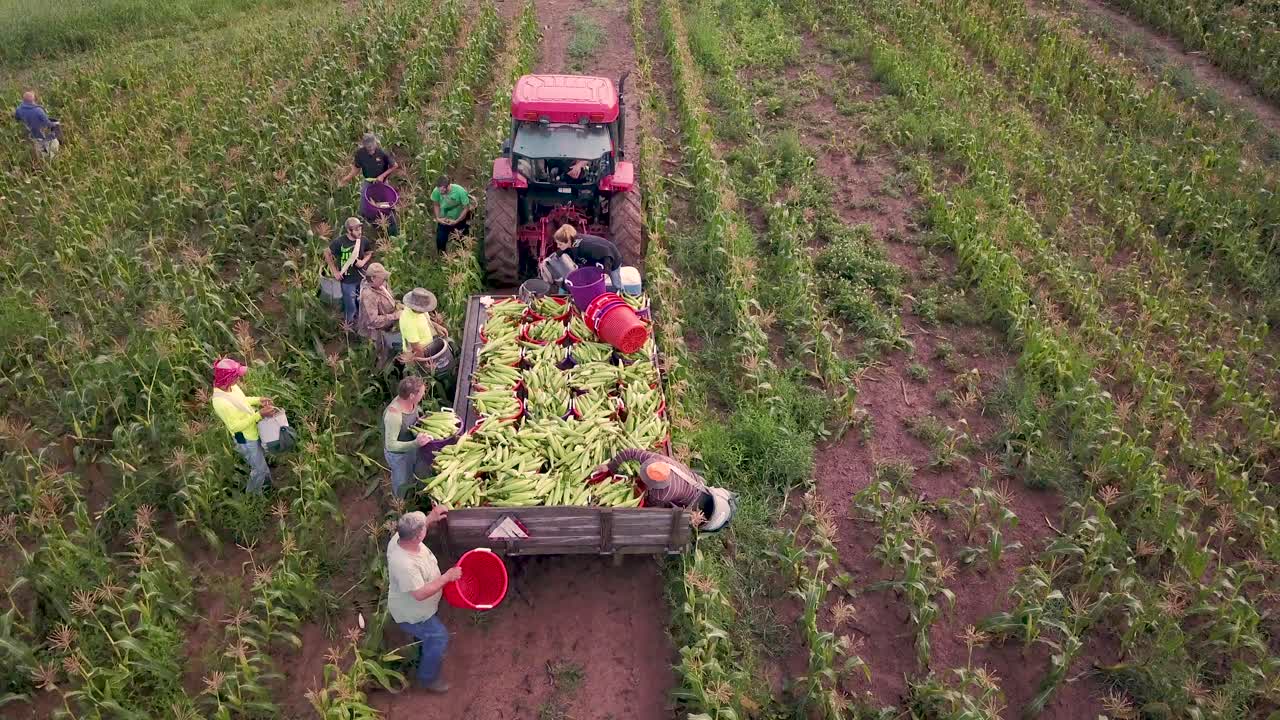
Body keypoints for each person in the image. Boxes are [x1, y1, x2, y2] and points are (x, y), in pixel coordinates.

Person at [387, 509, 463, 692]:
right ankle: (428, 679)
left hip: (420, 605)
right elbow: (419, 594)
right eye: (424, 528)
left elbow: (416, 527)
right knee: (439, 637)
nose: (426, 528)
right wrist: (446, 578)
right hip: (414, 613)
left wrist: (430, 518)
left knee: (432, 636)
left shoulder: (400, 538)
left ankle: (420, 642)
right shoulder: (405, 564)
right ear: (417, 536)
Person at [594, 449, 736, 531]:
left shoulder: (664, 492)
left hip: (693, 502)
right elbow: (630, 452)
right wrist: (611, 467)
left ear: (657, 486)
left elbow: (650, 505)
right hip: (697, 482)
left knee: (679, 518)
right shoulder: (655, 460)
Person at [210, 358, 277, 493]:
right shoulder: (219, 402)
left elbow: (242, 401)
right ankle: (253, 494)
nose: (239, 379)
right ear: (228, 378)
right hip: (244, 438)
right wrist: (259, 415)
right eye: (236, 376)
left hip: (252, 431)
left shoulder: (232, 387)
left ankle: (267, 484)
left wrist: (259, 400)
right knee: (258, 469)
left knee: (260, 459)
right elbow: (234, 427)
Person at [384, 377, 437, 497]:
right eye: (422, 393)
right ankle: (400, 505)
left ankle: (420, 496)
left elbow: (412, 418)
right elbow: (390, 445)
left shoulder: (410, 402)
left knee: (422, 471)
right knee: (402, 482)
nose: (423, 395)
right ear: (412, 396)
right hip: (399, 456)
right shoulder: (394, 415)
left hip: (413, 445)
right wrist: (415, 443)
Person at [324, 217, 373, 327]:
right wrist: (334, 271)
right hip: (347, 280)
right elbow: (327, 253)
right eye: (356, 230)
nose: (359, 232)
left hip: (361, 278)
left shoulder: (363, 240)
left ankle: (362, 325)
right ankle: (349, 327)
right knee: (350, 306)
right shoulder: (340, 242)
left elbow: (369, 253)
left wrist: (363, 261)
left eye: (360, 229)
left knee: (362, 302)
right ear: (349, 230)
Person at [552, 224, 623, 291]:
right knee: (591, 282)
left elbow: (606, 252)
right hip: (596, 262)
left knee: (616, 284)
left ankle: (622, 296)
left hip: (612, 258)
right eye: (557, 243)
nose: (558, 246)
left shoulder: (585, 246)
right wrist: (553, 257)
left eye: (560, 244)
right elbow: (563, 250)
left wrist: (607, 271)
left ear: (568, 240)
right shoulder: (571, 244)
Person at [358, 262, 400, 367]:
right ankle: (379, 373)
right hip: (375, 333)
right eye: (381, 277)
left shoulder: (381, 285)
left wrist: (398, 306)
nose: (384, 280)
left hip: (387, 326)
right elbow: (373, 321)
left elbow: (390, 298)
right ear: (372, 278)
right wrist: (395, 316)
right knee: (380, 357)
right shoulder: (368, 295)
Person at [399, 288, 445, 366]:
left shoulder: (418, 310)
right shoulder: (408, 322)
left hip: (428, 346)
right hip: (418, 355)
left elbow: (425, 319)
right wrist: (426, 364)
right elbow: (416, 348)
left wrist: (436, 326)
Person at [430, 175, 472, 253]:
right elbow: (436, 205)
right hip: (444, 219)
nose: (440, 192)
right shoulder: (436, 191)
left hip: (459, 219)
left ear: (448, 186)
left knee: (461, 241)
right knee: (440, 240)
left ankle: (463, 256)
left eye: (443, 190)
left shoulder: (460, 191)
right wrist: (438, 218)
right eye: (439, 190)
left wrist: (457, 221)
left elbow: (466, 208)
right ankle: (442, 258)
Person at [14, 90, 59, 160]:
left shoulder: (19, 109)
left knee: (39, 151)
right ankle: (51, 160)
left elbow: (17, 119)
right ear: (33, 100)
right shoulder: (38, 110)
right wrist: (55, 124)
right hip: (42, 134)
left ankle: (41, 161)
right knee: (54, 145)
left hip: (30, 135)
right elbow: (47, 123)